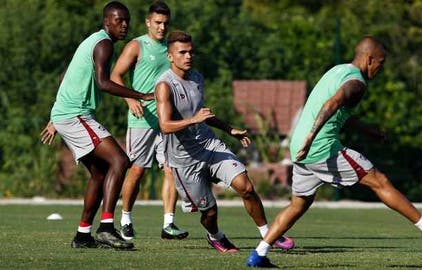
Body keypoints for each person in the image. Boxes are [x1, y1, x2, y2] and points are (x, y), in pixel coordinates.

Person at [246, 36, 422, 267]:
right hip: (320, 148)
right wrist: (311, 138)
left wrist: (367, 131)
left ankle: (259, 254)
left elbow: (340, 111)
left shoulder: (339, 71)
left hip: (300, 150)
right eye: (380, 63)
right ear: (369, 59)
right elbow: (331, 105)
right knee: (380, 181)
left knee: (298, 205)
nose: (380, 68)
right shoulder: (357, 83)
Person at [154, 30, 295, 253]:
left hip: (210, 146)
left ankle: (269, 234)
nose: (188, 56)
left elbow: (203, 115)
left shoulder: (197, 78)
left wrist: (230, 129)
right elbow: (164, 125)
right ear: (170, 56)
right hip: (184, 159)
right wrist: (194, 120)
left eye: (191, 52)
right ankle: (215, 236)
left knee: (246, 187)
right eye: (182, 52)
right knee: (209, 212)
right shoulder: (164, 85)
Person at [40, 1, 154, 250]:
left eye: (126, 20)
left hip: (68, 114)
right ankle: (105, 228)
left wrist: (55, 116)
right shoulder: (103, 44)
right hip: (75, 115)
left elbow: (68, 76)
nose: (124, 25)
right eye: (118, 20)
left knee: (101, 173)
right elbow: (104, 82)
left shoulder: (95, 41)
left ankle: (82, 236)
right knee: (120, 161)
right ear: (106, 22)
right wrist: (140, 95)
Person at [110, 1, 188, 241]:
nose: (162, 28)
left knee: (171, 171)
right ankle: (125, 219)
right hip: (142, 120)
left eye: (165, 23)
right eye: (157, 23)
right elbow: (115, 75)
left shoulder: (172, 48)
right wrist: (130, 100)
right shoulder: (137, 45)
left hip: (167, 121)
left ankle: (168, 224)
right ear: (148, 22)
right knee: (137, 171)